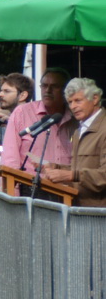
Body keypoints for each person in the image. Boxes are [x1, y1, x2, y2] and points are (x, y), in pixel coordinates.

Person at [42, 78, 105, 207]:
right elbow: (79, 170)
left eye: (78, 100)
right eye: (70, 102)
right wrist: (56, 168)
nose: (73, 107)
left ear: (95, 98)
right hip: (80, 210)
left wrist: (70, 175)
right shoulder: (79, 131)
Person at [0, 68, 75, 174]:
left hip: (67, 188)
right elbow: (9, 160)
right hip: (31, 187)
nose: (48, 91)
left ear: (66, 90)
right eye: (44, 86)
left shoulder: (76, 118)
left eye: (54, 86)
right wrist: (13, 190)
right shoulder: (22, 113)